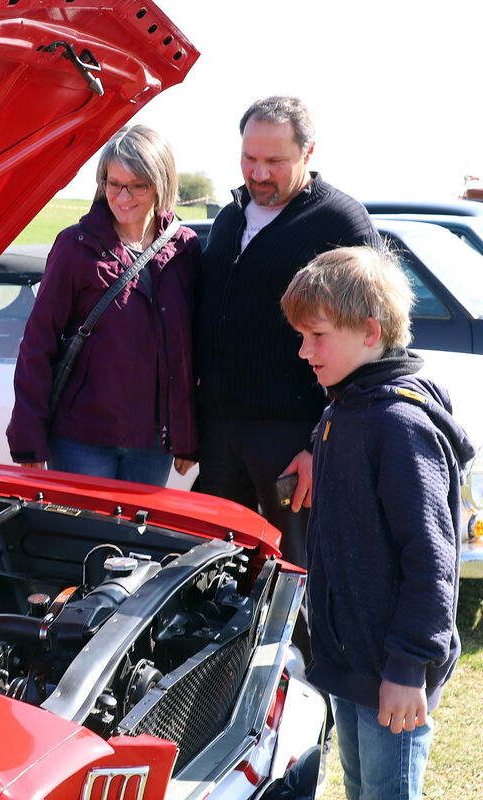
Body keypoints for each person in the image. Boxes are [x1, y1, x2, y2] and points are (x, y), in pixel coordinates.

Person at [280, 245, 475, 800]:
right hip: (349, 663)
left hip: (392, 670)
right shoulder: (344, 409)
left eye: (316, 336)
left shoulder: (398, 425)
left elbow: (432, 561)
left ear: (369, 332)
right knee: (362, 786)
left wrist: (409, 668)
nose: (302, 351)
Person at [196, 96, 381, 569]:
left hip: (292, 441)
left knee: (297, 577)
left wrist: (320, 444)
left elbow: (376, 345)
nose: (258, 174)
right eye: (249, 159)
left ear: (308, 152)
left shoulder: (340, 222)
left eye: (274, 161)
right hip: (221, 437)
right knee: (212, 574)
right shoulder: (230, 216)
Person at [6, 125, 200, 485]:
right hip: (81, 439)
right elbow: (38, 343)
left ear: (161, 184)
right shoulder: (74, 246)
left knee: (133, 542)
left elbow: (190, 350)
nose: (123, 196)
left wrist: (187, 436)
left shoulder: (184, 248)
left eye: (137, 185)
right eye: (114, 184)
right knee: (85, 542)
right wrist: (28, 440)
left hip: (152, 443)